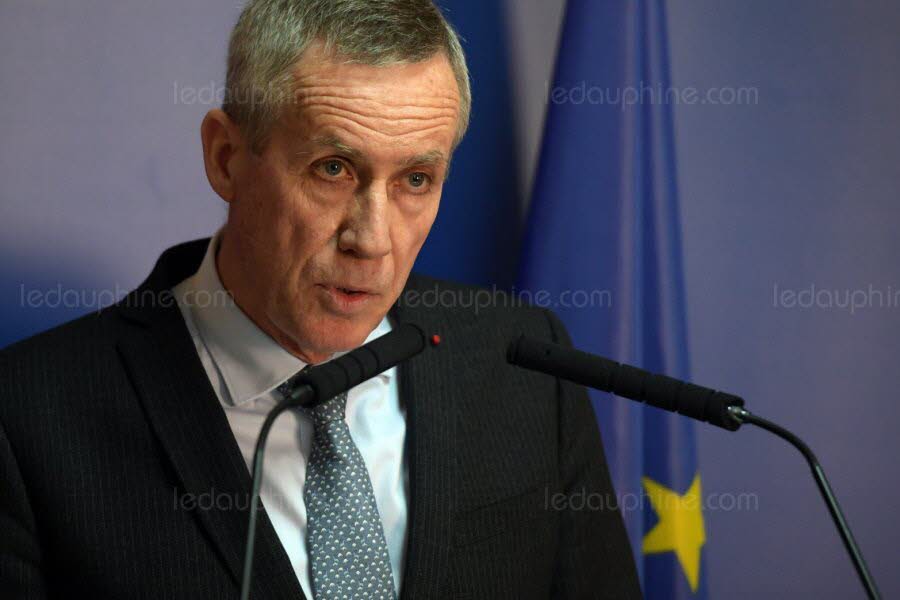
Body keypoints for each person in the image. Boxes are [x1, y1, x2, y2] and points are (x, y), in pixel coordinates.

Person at [0, 1, 640, 598]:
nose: (373, 241)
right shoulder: (29, 416)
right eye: (333, 168)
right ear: (226, 158)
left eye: (416, 179)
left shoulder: (523, 364)